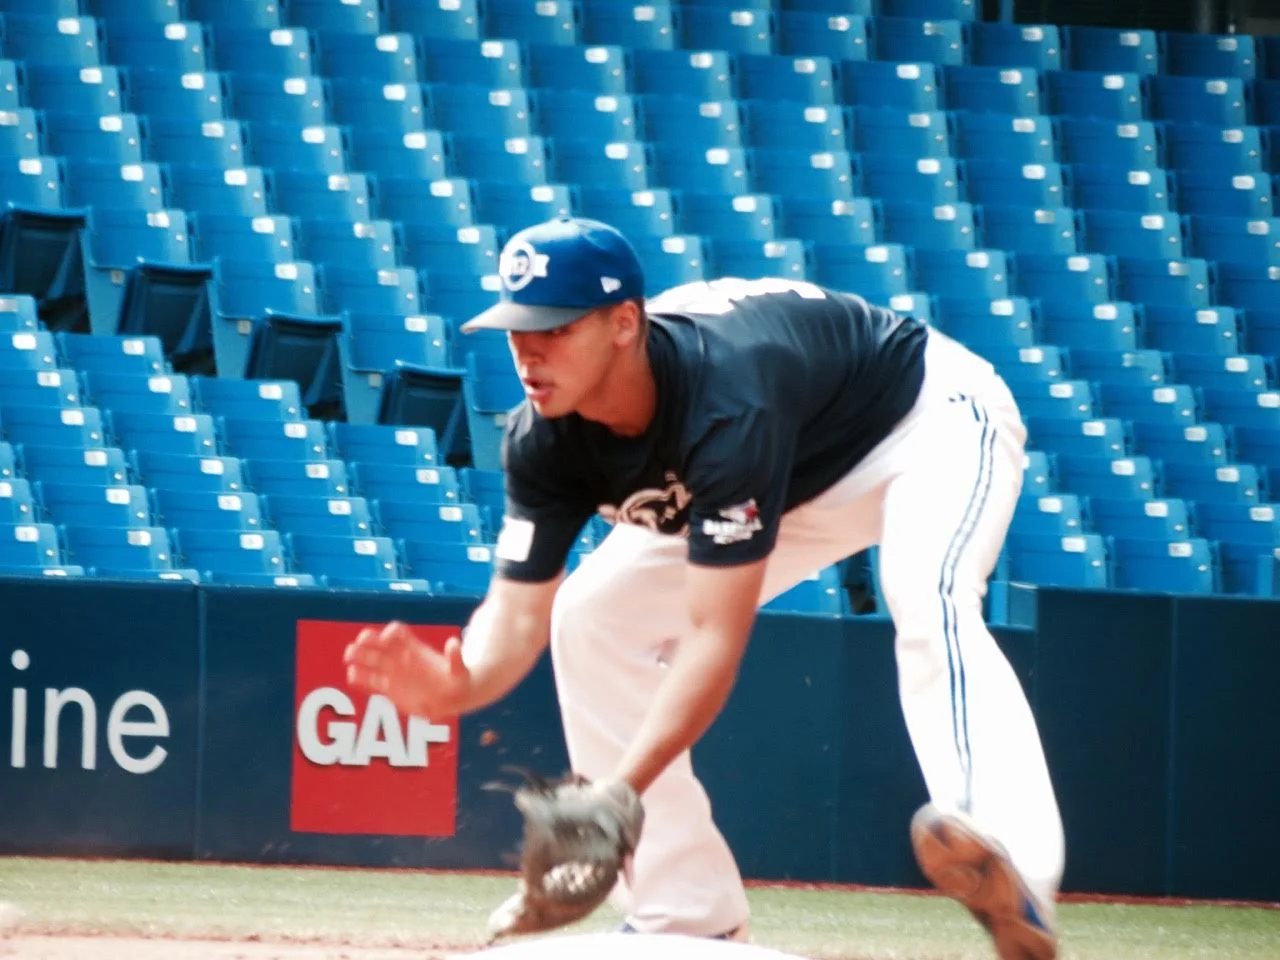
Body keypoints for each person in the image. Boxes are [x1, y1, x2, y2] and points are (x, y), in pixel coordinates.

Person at [344, 217, 1065, 960]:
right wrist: (463, 681)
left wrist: (617, 791)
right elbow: (519, 614)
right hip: (781, 466)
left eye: (555, 328)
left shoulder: (726, 400)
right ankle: (683, 909)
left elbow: (714, 640)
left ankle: (1008, 855)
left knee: (930, 596)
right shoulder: (543, 437)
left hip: (921, 423)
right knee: (592, 615)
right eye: (518, 329)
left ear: (625, 323)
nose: (530, 350)